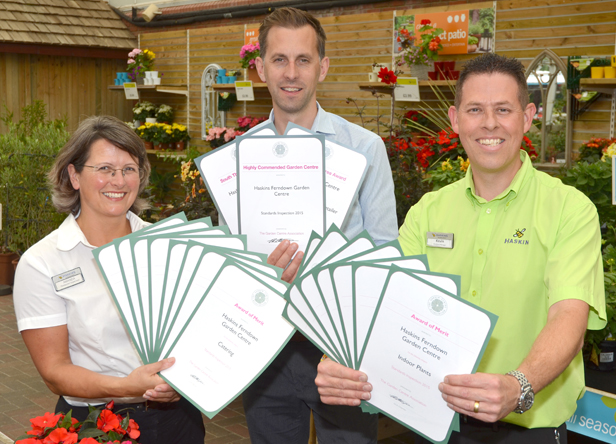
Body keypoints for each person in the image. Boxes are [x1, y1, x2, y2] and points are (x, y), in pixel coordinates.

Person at [314, 53, 606, 443]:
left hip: (526, 427)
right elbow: (381, 302)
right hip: (433, 423)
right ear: (455, 119)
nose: (489, 123)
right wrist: (338, 358)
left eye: (503, 109)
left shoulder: (569, 209)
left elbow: (568, 317)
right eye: (475, 110)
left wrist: (517, 385)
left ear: (528, 116)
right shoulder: (429, 212)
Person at [241, 7, 398, 444]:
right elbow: (232, 257)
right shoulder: (239, 156)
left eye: (304, 60)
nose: (292, 73)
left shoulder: (365, 149)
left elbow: (386, 251)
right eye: (279, 59)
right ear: (260, 68)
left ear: (323, 67)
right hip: (267, 351)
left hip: (342, 351)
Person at [13, 116, 205, 443]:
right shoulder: (42, 262)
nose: (118, 181)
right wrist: (127, 387)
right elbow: (55, 372)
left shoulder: (169, 245)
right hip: (96, 426)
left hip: (179, 418)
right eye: (104, 169)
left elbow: (203, 325)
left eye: (129, 169)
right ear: (74, 175)